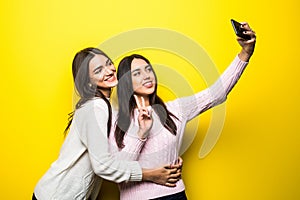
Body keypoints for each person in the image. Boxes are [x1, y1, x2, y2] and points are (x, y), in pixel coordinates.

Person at [110, 22, 256, 199]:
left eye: (148, 69)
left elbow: (216, 93)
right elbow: (117, 170)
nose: (147, 75)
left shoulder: (175, 109)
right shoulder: (116, 120)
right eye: (137, 73)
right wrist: (141, 134)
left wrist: (245, 53)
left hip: (174, 195)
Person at [32, 47, 182, 200]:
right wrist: (150, 175)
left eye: (108, 63)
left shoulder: (105, 107)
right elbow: (102, 166)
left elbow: (114, 156)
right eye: (98, 70)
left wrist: (166, 155)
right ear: (89, 82)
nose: (109, 70)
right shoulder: (96, 107)